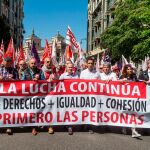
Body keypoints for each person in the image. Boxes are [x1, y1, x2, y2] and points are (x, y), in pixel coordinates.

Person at [21, 58, 45, 135]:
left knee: (37, 110)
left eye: (34, 63)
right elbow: (22, 82)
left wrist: (39, 80)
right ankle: (32, 127)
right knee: (31, 110)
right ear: (29, 64)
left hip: (38, 94)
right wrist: (31, 80)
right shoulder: (25, 71)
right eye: (32, 63)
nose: (33, 65)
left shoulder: (40, 71)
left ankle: (36, 126)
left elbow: (44, 81)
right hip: (29, 95)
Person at [120, 64, 141, 138]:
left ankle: (133, 130)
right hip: (124, 99)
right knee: (125, 113)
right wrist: (121, 81)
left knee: (133, 114)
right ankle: (124, 127)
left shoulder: (134, 76)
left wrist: (143, 82)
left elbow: (139, 84)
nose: (130, 70)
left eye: (131, 69)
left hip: (132, 99)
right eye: (128, 69)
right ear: (125, 70)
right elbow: (116, 84)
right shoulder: (122, 77)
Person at [80, 57, 101, 134]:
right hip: (85, 96)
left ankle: (90, 126)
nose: (90, 65)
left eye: (92, 63)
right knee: (85, 110)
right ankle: (83, 124)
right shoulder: (83, 73)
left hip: (94, 97)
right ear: (86, 64)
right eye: (89, 63)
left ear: (94, 64)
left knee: (92, 111)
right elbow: (80, 84)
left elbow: (100, 84)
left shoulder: (97, 73)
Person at [0, 57, 19, 135]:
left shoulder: (14, 70)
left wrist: (12, 80)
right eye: (6, 62)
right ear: (3, 62)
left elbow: (18, 81)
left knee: (8, 110)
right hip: (1, 93)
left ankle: (9, 126)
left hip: (11, 93)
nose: (7, 63)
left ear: (11, 63)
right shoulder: (0, 69)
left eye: (9, 62)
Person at [59, 63, 79, 135]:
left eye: (71, 67)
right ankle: (68, 125)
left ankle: (70, 125)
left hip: (74, 97)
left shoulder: (77, 76)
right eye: (69, 67)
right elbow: (57, 84)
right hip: (65, 97)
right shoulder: (63, 76)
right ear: (66, 68)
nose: (70, 68)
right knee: (66, 111)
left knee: (72, 112)